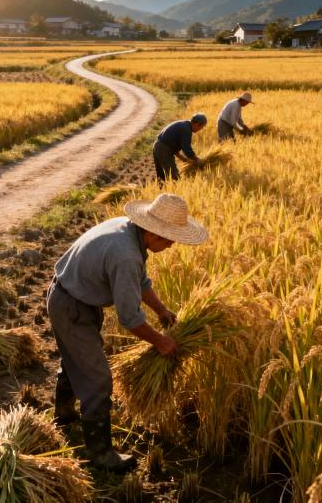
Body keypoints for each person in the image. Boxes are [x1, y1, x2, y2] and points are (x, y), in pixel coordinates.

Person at [47, 192, 208, 473]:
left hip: (74, 298)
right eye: (170, 238)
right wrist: (160, 342)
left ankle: (64, 414)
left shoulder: (127, 229)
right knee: (97, 379)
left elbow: (141, 282)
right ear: (153, 232)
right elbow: (130, 319)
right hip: (71, 306)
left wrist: (161, 310)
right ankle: (100, 455)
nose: (171, 245)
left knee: (77, 360)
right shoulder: (126, 255)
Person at [153, 112, 207, 183]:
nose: (200, 130)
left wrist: (183, 159)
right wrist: (197, 160)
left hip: (158, 146)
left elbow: (172, 145)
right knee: (174, 177)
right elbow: (186, 149)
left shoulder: (184, 125)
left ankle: (161, 190)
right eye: (201, 127)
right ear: (197, 124)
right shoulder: (186, 129)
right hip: (163, 149)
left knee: (162, 177)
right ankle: (173, 191)